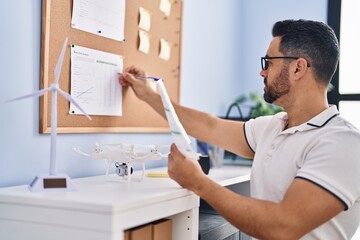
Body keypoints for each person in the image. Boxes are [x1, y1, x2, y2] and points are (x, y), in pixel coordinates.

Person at [120, 19, 360, 239]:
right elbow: (208, 125)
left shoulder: (343, 142)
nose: (262, 71)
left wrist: (198, 182)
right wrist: (150, 97)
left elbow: (284, 226)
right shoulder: (272, 127)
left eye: (268, 61)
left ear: (298, 68)